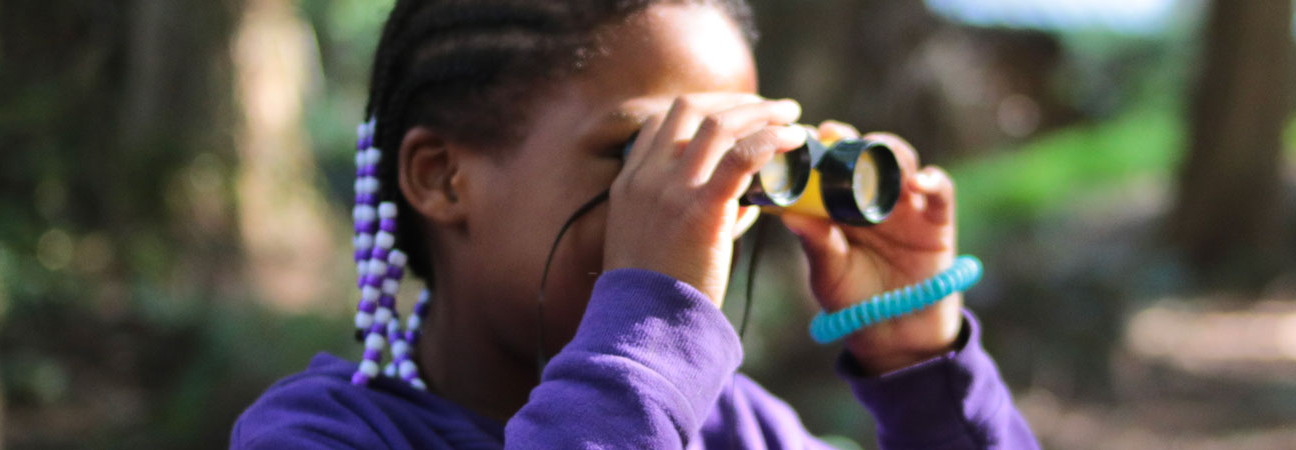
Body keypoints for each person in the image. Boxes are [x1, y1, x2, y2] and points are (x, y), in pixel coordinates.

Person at [231, 0, 1037, 448]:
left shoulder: (736, 427)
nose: (705, 204)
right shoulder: (318, 434)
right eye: (650, 151)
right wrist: (650, 330)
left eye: (733, 162)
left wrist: (923, 362)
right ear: (442, 177)